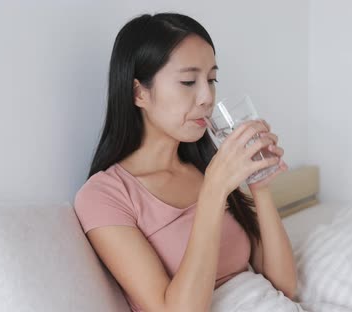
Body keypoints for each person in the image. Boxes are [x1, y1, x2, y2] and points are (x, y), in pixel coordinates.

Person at [73, 12, 296, 312]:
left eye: (211, 80)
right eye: (189, 81)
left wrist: (260, 187)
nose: (207, 97)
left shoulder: (206, 166)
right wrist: (213, 194)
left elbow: (285, 287)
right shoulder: (104, 195)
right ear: (139, 92)